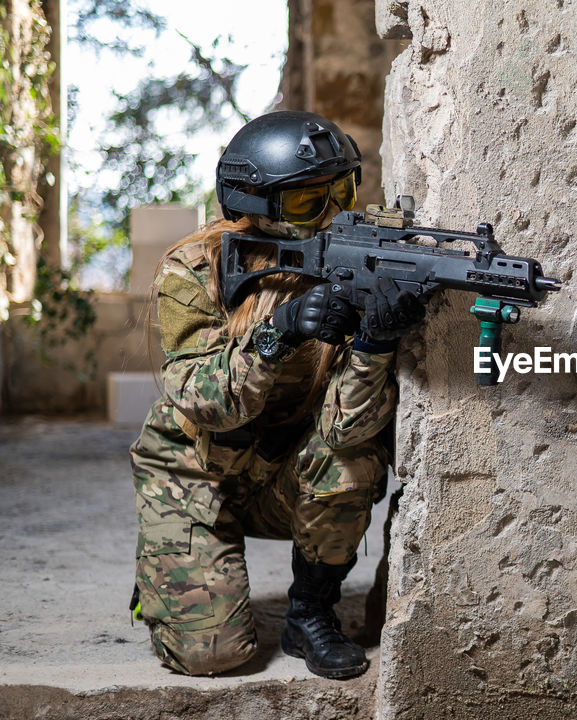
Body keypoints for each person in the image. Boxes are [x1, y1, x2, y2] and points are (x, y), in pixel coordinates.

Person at [129, 110, 425, 679]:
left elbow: (347, 430)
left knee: (350, 461)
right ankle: (162, 570)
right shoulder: (199, 270)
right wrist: (279, 331)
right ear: (254, 203)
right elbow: (206, 403)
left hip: (287, 469)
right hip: (195, 472)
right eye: (305, 203)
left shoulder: (359, 261)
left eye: (341, 191)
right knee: (214, 655)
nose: (331, 214)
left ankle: (310, 613)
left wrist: (373, 342)